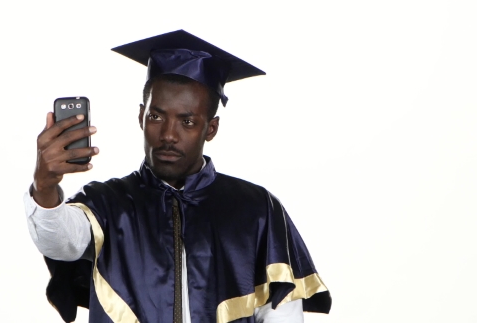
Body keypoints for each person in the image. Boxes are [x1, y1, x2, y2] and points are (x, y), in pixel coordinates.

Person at [24, 30, 331, 323]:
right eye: (156, 116)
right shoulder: (106, 203)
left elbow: (281, 314)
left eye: (187, 121)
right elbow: (59, 241)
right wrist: (46, 185)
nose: (168, 135)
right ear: (140, 116)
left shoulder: (255, 209)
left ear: (210, 128)